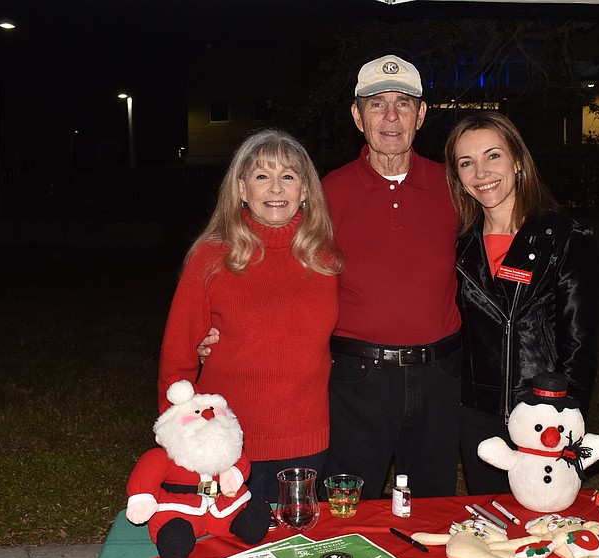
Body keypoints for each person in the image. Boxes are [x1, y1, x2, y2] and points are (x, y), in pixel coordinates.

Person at [158, 128, 342, 503]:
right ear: (242, 189)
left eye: (288, 177)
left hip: (306, 437)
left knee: (294, 548)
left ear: (304, 191)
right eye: (262, 176)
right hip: (226, 441)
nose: (276, 188)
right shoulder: (211, 258)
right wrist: (181, 435)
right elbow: (176, 359)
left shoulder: (326, 259)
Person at [319, 54, 463, 500]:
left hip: (441, 375)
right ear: (357, 116)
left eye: (403, 103)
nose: (391, 116)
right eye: (377, 104)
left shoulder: (455, 187)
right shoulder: (328, 192)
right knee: (347, 507)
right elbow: (291, 272)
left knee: (432, 506)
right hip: (359, 378)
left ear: (421, 114)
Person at [445, 111, 599, 495]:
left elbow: (580, 343)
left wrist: (563, 416)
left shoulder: (564, 236)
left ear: (517, 161)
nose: (481, 172)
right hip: (476, 415)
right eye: (467, 163)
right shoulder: (458, 245)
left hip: (542, 415)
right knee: (492, 531)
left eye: (492, 156)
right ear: (459, 178)